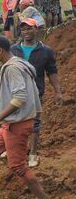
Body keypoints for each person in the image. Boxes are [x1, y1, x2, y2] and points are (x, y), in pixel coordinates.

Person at [0, 36, 61, 199]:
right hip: (11, 123)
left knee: (18, 167)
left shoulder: (13, 68)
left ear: (0, 51)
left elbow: (19, 98)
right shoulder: (18, 63)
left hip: (17, 124)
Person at [10, 22, 63, 167]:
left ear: (37, 29)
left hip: (36, 93)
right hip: (15, 93)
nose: (26, 31)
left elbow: (52, 72)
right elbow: (6, 71)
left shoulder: (46, 51)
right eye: (23, 29)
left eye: (29, 28)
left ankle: (32, 154)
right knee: (13, 121)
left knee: (34, 123)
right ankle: (14, 149)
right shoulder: (14, 49)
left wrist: (58, 92)